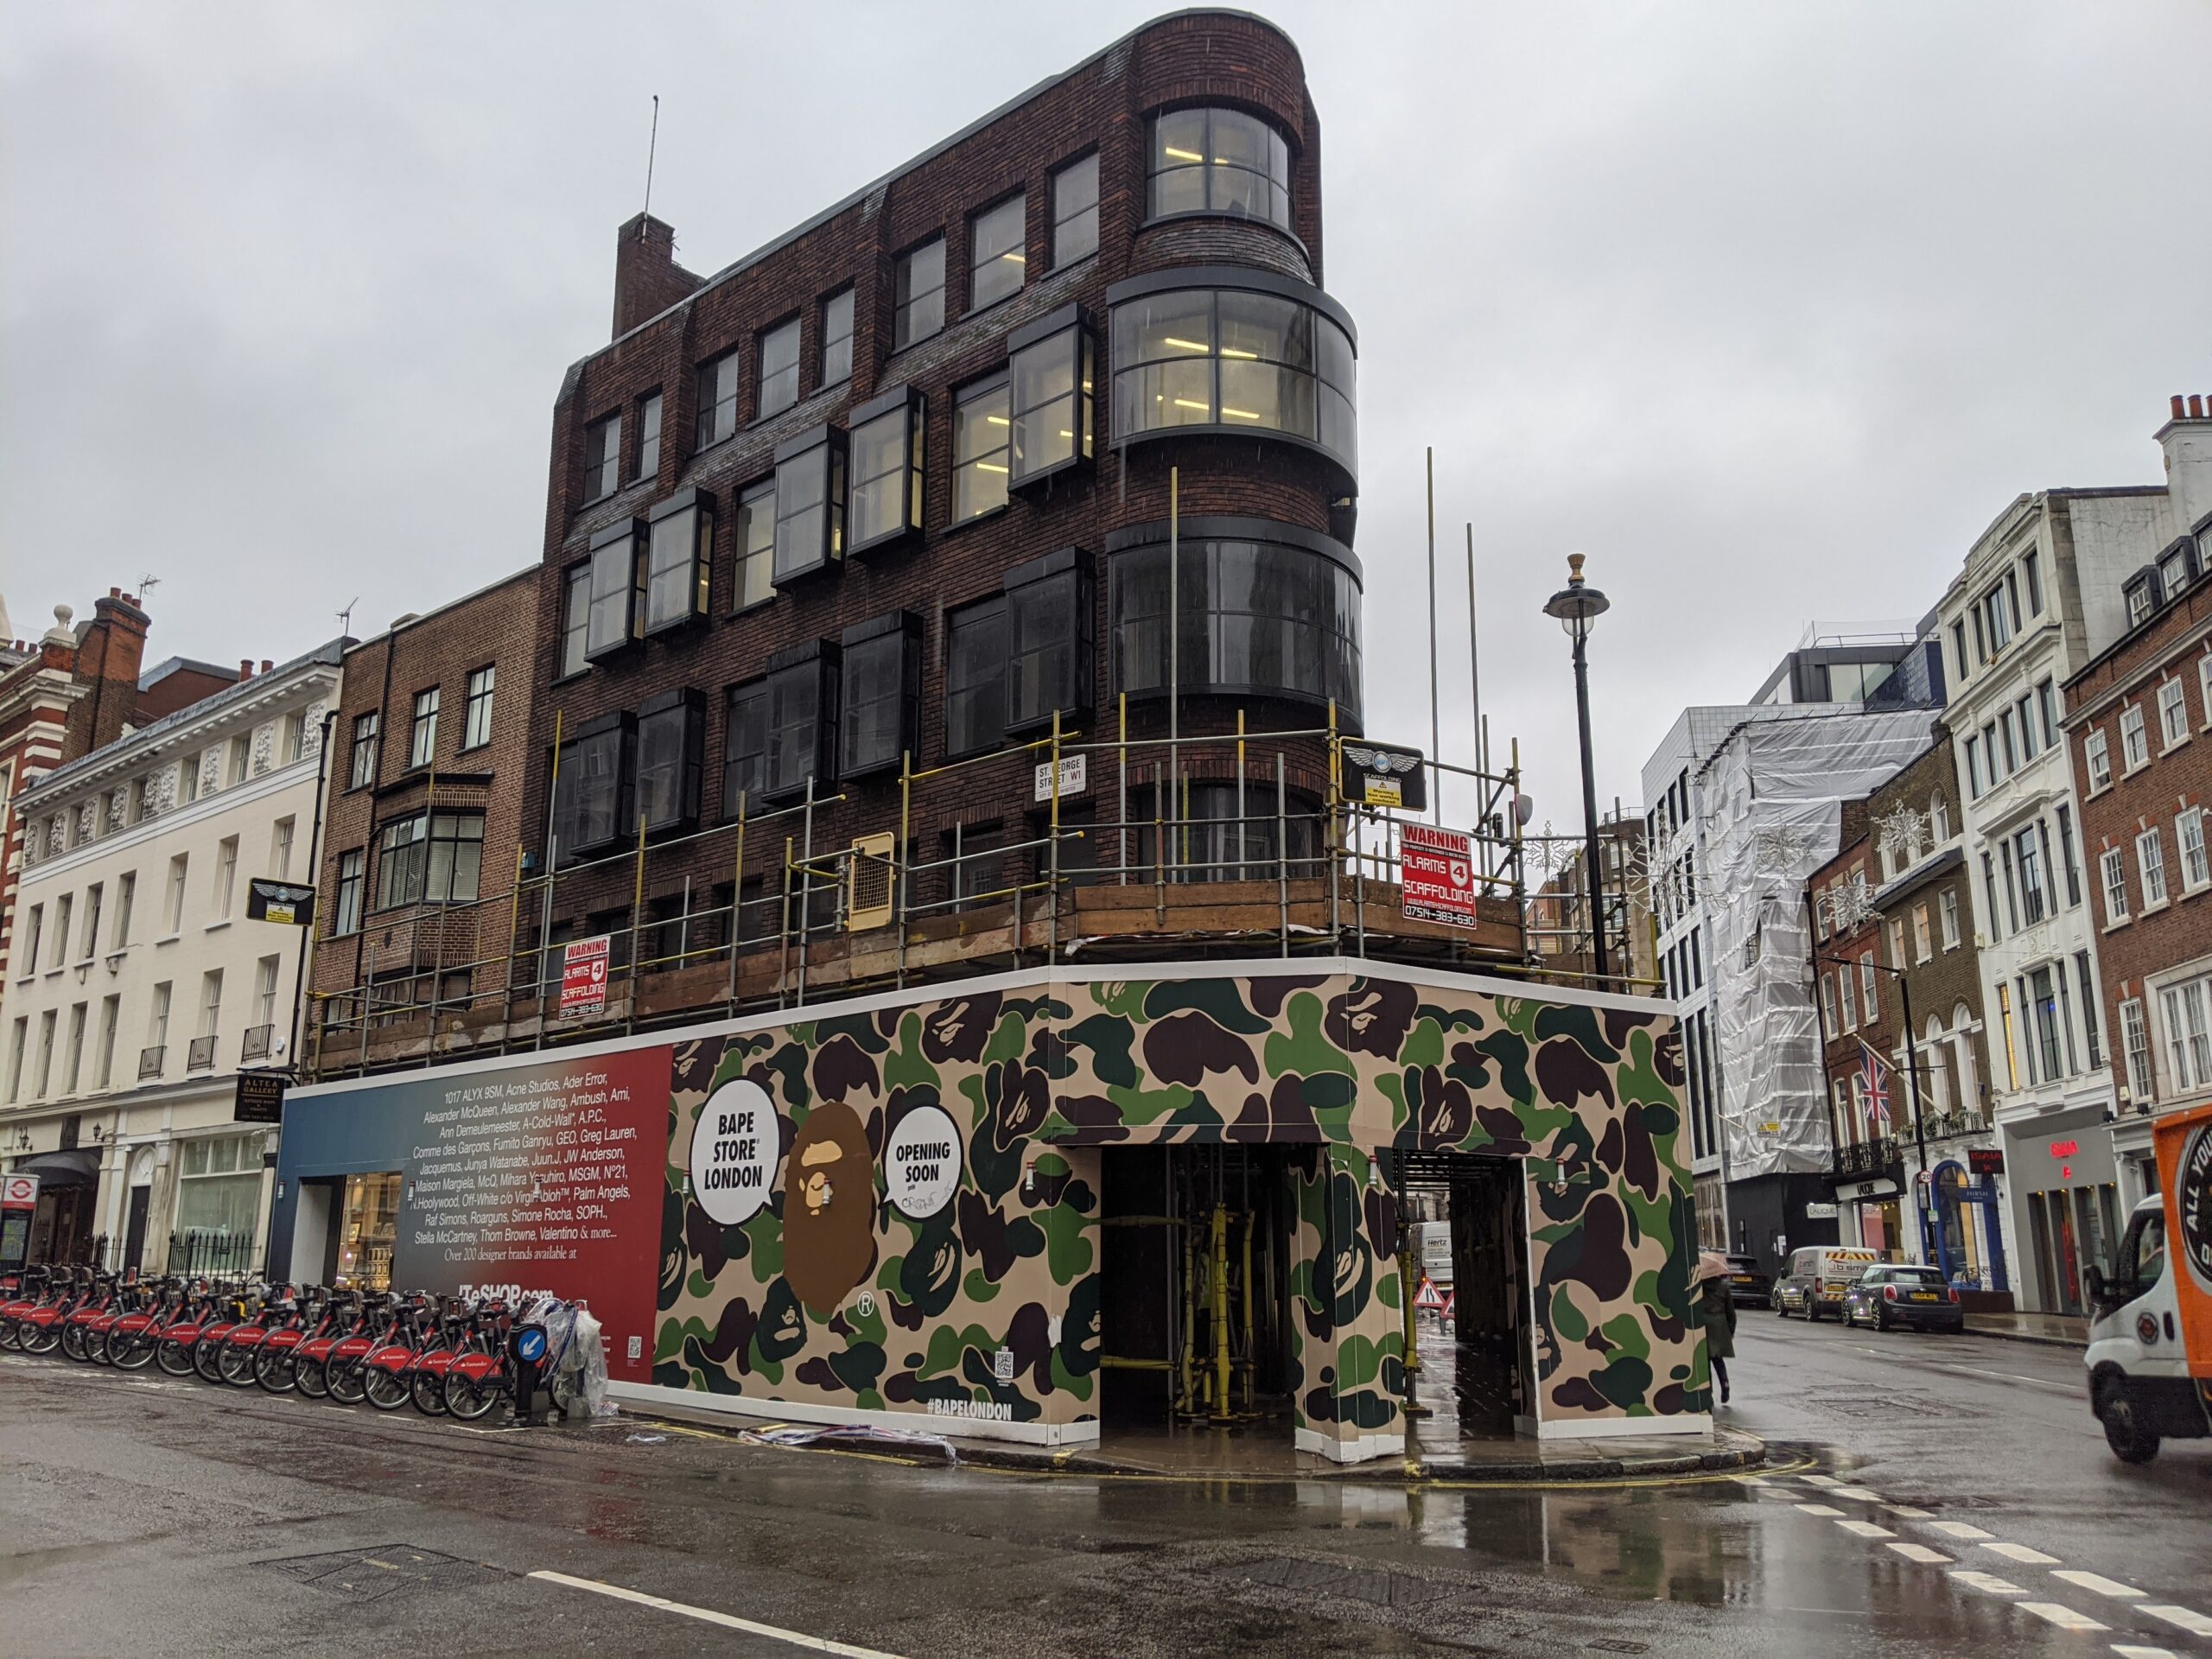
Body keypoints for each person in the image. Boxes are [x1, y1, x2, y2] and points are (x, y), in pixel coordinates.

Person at [1692, 1249, 1738, 1405]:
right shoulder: (1723, 1287)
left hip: (1704, 1323)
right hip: (1719, 1324)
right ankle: (1725, 1384)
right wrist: (1731, 1330)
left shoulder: (1698, 1286)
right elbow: (1730, 1312)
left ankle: (1708, 1394)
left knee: (1704, 1360)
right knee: (1718, 1359)